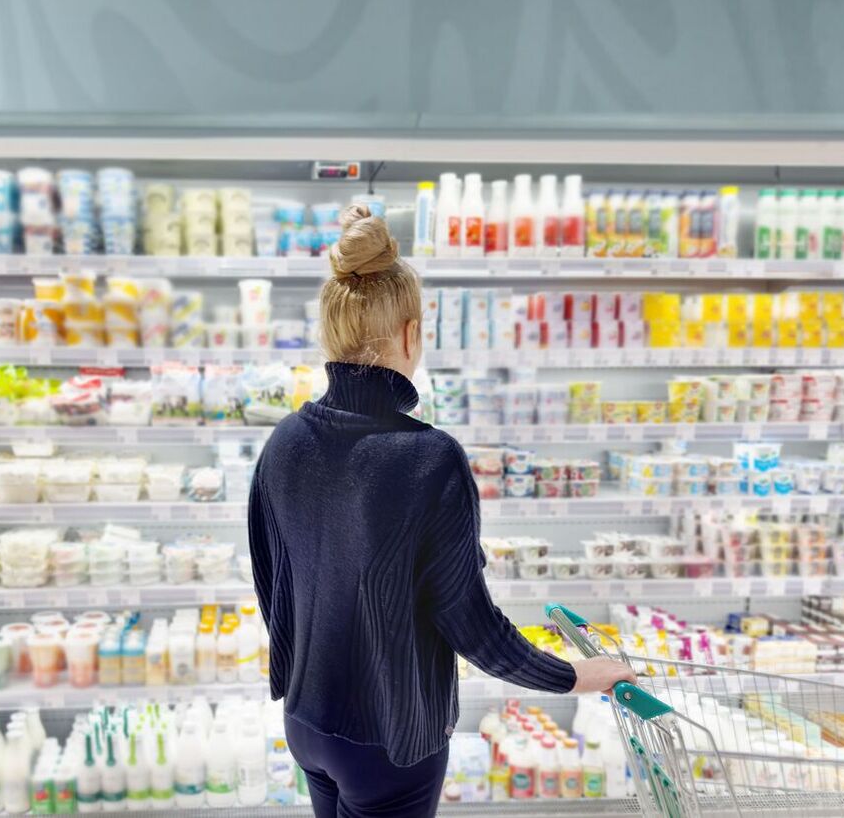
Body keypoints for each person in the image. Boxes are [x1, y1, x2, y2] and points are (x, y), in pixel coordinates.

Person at [248, 205, 636, 817]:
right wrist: (571, 677)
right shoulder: (428, 458)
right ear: (409, 334)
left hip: (306, 722)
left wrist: (297, 686)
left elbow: (273, 587)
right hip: (390, 741)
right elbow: (471, 624)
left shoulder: (284, 442)